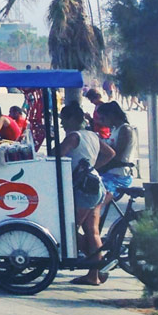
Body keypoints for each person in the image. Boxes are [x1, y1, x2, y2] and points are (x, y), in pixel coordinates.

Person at [58, 101, 114, 285]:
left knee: (68, 230)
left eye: (63, 120)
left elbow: (55, 155)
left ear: (73, 119)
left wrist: (82, 170)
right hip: (96, 184)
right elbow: (110, 153)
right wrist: (92, 167)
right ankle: (95, 273)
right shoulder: (92, 135)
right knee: (93, 232)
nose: (62, 124)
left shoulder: (73, 137)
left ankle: (94, 264)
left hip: (84, 188)